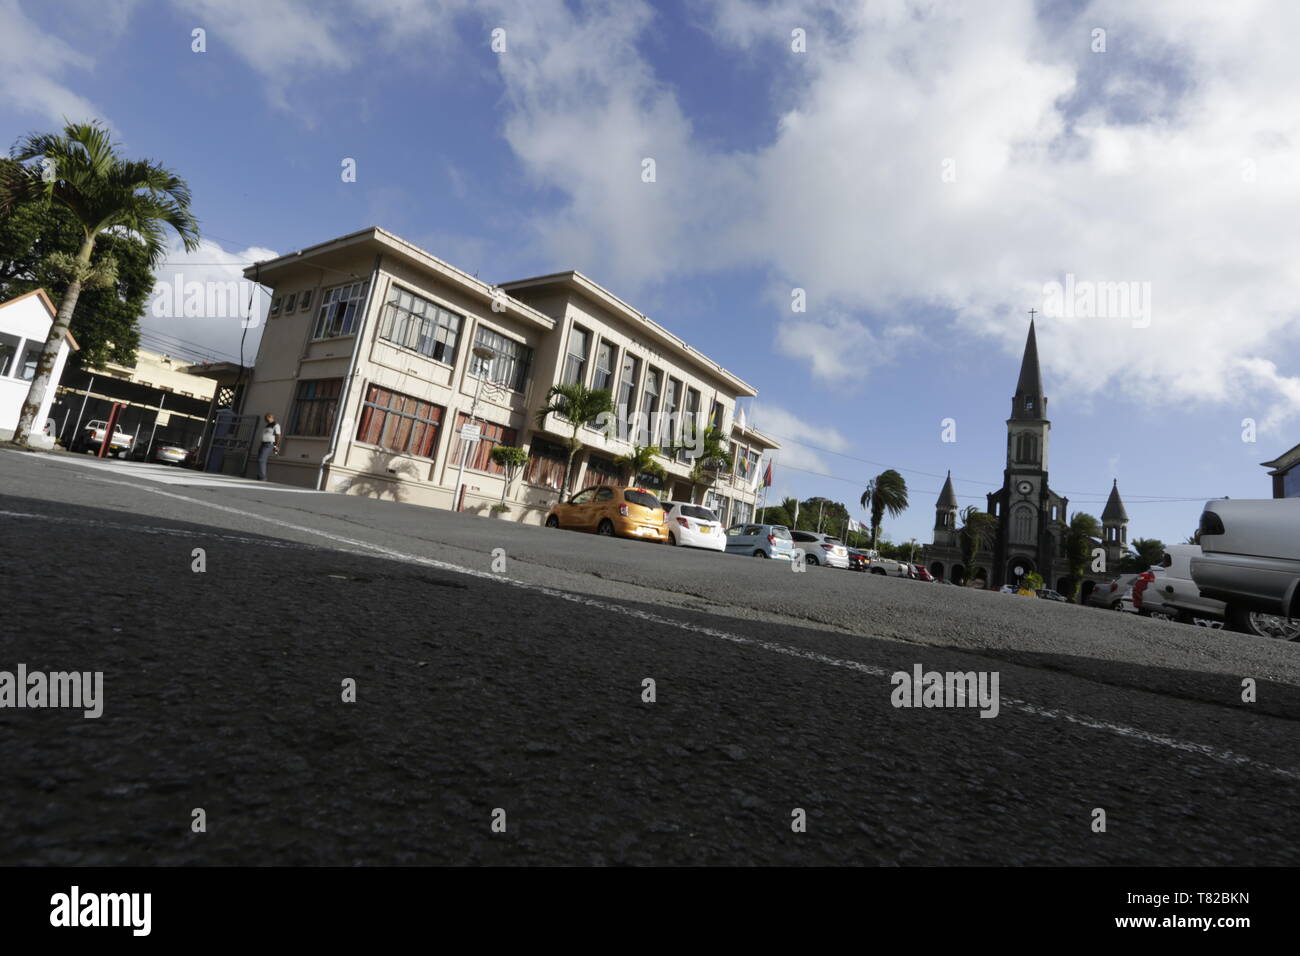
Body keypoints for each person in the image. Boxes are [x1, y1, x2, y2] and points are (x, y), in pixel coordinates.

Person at [256, 413, 281, 481]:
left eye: (266, 418)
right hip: (263, 444)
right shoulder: (267, 425)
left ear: (271, 417)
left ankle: (263, 477)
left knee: (261, 459)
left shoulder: (276, 425)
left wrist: (276, 446)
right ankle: (259, 475)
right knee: (259, 459)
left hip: (269, 444)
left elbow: (278, 436)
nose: (265, 420)